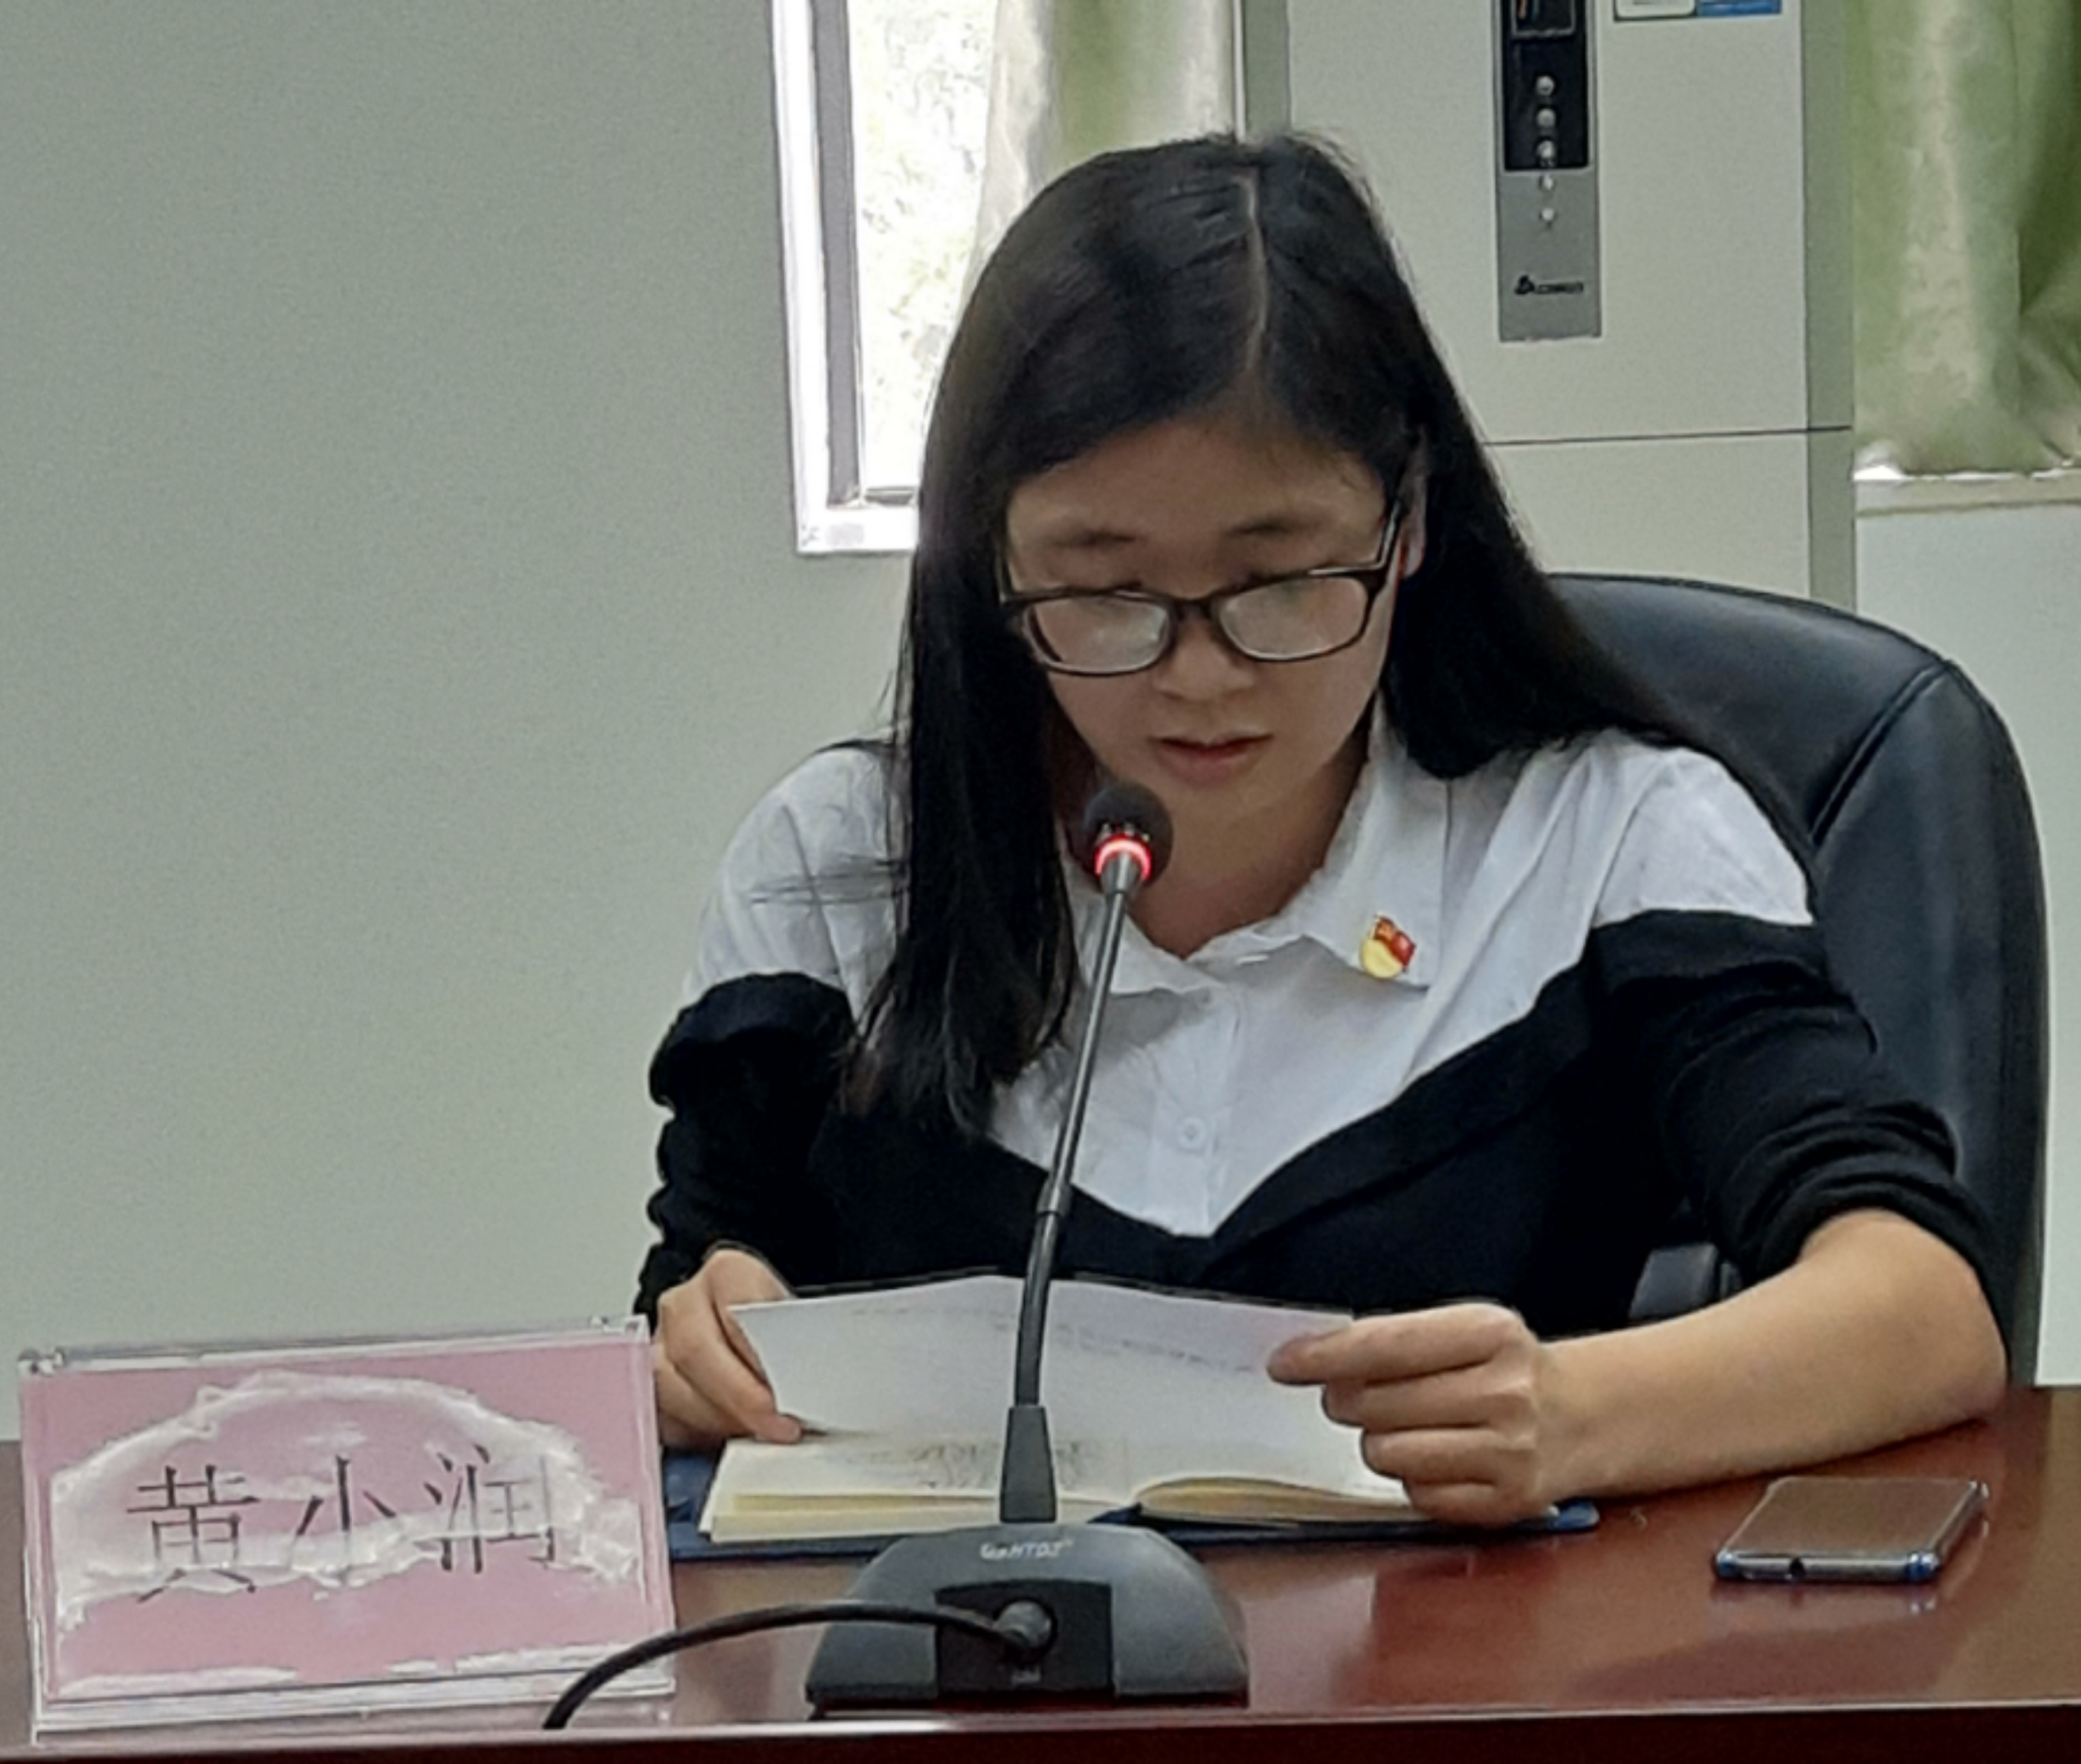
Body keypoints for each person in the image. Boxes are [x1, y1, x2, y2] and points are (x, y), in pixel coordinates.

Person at [637, 134, 2006, 1527]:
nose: (1199, 674)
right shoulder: (842, 871)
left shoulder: (1607, 842)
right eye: (1104, 592)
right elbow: (691, 1312)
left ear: (1407, 520)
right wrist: (696, 1348)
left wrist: (1572, 1413)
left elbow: (1923, 1309)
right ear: (987, 558)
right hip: (972, 1652)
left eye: (1279, 581)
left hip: (1481, 1649)